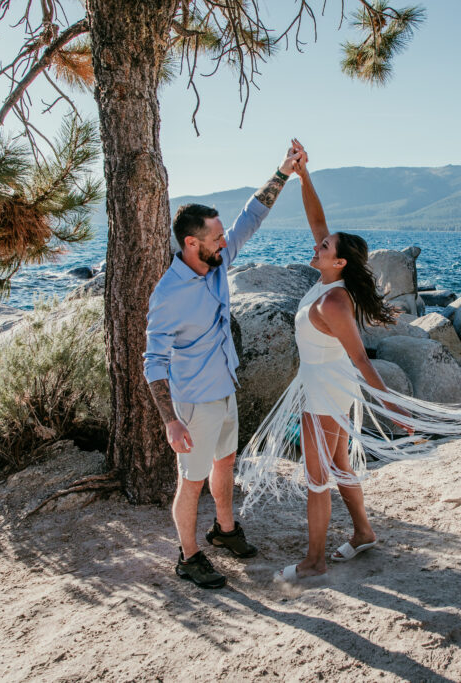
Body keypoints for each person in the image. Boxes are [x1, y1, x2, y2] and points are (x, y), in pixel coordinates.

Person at [236, 140, 461, 581]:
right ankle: (363, 532)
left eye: (323, 246)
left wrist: (393, 407)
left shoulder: (334, 303)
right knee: (340, 465)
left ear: (339, 261)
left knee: (317, 475)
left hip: (327, 390)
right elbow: (318, 219)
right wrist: (303, 177)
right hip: (321, 384)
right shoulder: (329, 279)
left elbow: (364, 362)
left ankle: (314, 561)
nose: (317, 243)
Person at [143, 144, 302, 589]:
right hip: (193, 402)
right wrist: (171, 421)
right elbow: (152, 363)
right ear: (191, 243)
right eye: (215, 238)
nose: (224, 242)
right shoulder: (168, 296)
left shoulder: (217, 263)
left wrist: (282, 172)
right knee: (190, 482)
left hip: (225, 388)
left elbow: (249, 219)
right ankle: (189, 556)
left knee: (225, 461)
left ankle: (224, 530)